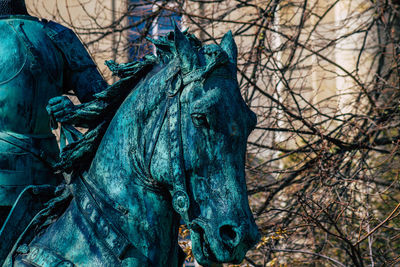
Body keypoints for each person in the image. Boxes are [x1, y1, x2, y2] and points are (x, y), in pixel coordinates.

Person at [0, 0, 107, 225]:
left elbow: (105, 107)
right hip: (47, 180)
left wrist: (72, 112)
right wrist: (75, 112)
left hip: (46, 183)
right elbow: (105, 107)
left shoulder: (56, 36)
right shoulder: (56, 35)